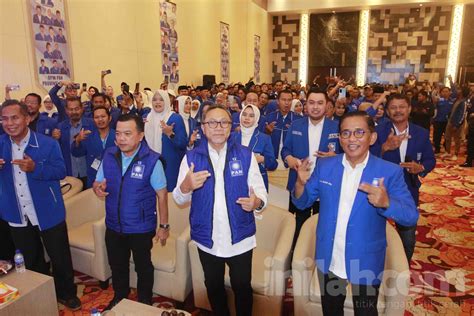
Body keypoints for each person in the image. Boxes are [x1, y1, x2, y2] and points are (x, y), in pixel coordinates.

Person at [292, 111, 418, 316]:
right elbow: (302, 202)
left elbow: (411, 216)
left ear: (372, 137)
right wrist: (299, 183)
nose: (352, 139)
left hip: (366, 259)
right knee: (331, 311)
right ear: (340, 138)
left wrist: (387, 203)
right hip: (329, 256)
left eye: (359, 132)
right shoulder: (325, 166)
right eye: (346, 133)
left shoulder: (389, 171)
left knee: (366, 312)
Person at [173, 105, 268, 316]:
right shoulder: (190, 158)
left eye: (224, 122)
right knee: (213, 286)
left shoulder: (245, 155)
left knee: (242, 287)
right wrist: (186, 187)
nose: (218, 127)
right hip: (207, 239)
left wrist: (257, 203)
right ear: (203, 128)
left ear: (231, 127)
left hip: (241, 237)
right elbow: (178, 199)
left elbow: (261, 193)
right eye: (211, 123)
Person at [0, 100, 81, 311]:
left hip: (47, 210)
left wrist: (36, 167)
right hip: (16, 213)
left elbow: (61, 171)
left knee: (60, 256)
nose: (9, 123)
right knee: (31, 257)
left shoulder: (46, 143)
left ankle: (67, 293)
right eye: (4, 119)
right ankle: (41, 291)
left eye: (15, 117)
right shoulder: (0, 145)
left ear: (27, 118)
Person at [93, 114, 169, 310]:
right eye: (118, 134)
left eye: (127, 134)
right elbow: (98, 181)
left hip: (140, 226)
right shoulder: (109, 155)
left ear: (140, 136)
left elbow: (162, 195)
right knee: (117, 265)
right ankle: (120, 296)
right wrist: (97, 188)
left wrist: (164, 226)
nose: (121, 139)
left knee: (143, 266)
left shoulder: (153, 161)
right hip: (114, 223)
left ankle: (145, 301)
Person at [371, 94, 435, 262]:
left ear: (409, 109)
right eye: (393, 107)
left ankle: (402, 269)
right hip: (381, 188)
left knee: (407, 238)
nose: (398, 111)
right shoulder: (378, 132)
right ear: (387, 111)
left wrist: (420, 168)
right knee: (374, 233)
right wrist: (385, 147)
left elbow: (430, 159)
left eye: (402, 107)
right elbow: (366, 158)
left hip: (408, 191)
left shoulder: (420, 133)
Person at [281, 89, 341, 250]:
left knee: (323, 227)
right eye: (311, 102)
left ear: (327, 105)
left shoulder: (337, 127)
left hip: (326, 185)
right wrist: (290, 159)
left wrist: (335, 157)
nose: (315, 107)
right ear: (305, 104)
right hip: (300, 184)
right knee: (299, 227)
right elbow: (285, 150)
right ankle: (296, 262)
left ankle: (319, 262)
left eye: (320, 103)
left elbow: (347, 155)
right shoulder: (295, 125)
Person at [145, 90, 187, 191]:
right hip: (151, 163)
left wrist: (170, 134)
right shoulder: (147, 118)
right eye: (154, 100)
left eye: (161, 100)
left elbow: (183, 143)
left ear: (167, 101)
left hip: (169, 165)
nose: (157, 102)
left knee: (168, 197)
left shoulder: (175, 118)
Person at [232, 104, 277, 191]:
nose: (247, 118)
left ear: (256, 118)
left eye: (251, 116)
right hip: (234, 182)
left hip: (257, 183)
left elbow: (273, 164)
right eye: (244, 114)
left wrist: (263, 159)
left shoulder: (264, 138)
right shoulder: (231, 137)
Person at [71, 106, 115, 188]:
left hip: (114, 178)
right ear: (93, 120)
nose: (100, 119)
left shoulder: (117, 136)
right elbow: (76, 153)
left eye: (103, 116)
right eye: (97, 117)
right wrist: (77, 141)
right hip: (94, 179)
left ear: (109, 118)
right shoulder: (88, 136)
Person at [57, 97, 95, 187]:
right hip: (70, 172)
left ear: (82, 108)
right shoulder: (60, 127)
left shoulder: (92, 124)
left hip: (88, 171)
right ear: (66, 110)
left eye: (77, 109)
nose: (74, 112)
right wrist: (55, 139)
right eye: (71, 109)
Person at [265, 89, 297, 160]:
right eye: (283, 100)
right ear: (278, 101)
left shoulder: (298, 120)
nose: (287, 103)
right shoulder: (269, 117)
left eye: (289, 100)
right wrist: (268, 132)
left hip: (291, 159)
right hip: (272, 158)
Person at [443, 87, 469, 161]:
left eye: (459, 89)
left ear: (462, 91)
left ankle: (456, 154)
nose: (458, 91)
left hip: (457, 123)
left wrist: (457, 124)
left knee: (457, 139)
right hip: (450, 121)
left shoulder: (463, 102)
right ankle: (447, 151)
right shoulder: (457, 99)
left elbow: (462, 114)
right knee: (447, 137)